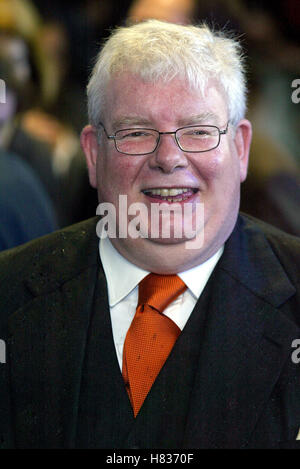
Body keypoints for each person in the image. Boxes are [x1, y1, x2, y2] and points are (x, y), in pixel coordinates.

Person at [0, 19, 300, 449]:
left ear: (240, 148)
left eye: (198, 131)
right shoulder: (7, 292)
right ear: (92, 152)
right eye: (137, 132)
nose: (169, 158)